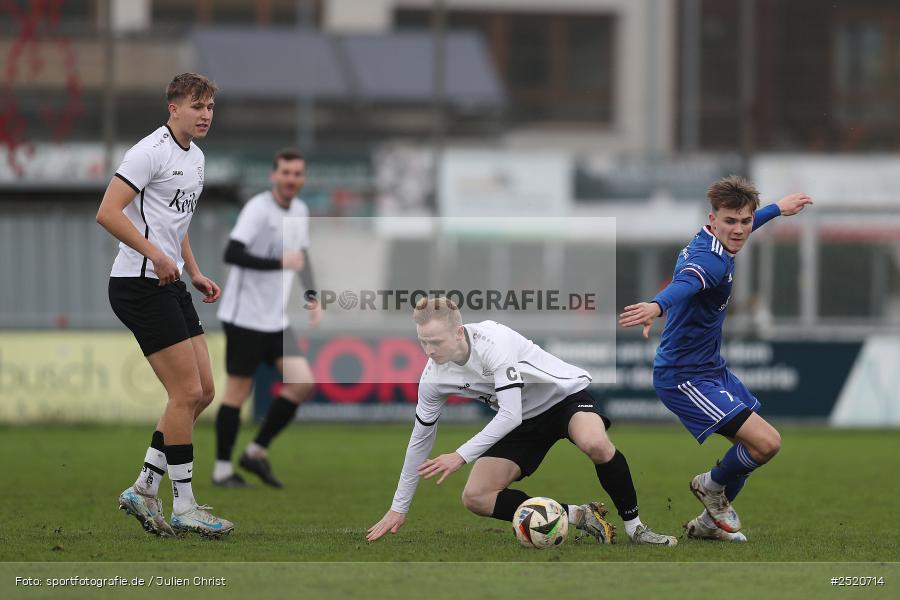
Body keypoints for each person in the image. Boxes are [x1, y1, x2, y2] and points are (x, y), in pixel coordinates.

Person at [368, 297, 678, 546]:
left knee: (596, 443)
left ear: (459, 332)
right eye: (424, 342)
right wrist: (399, 507)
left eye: (436, 341)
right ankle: (578, 515)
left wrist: (460, 455)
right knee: (475, 497)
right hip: (522, 420)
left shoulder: (493, 343)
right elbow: (420, 440)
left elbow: (509, 413)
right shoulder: (433, 377)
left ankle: (636, 529)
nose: (430, 350)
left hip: (562, 399)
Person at [619, 175, 812, 542]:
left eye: (746, 221)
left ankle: (708, 527)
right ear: (713, 220)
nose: (739, 230)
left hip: (710, 368)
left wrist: (776, 209)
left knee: (751, 447)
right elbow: (688, 282)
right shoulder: (712, 261)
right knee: (767, 443)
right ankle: (709, 486)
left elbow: (744, 221)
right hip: (684, 376)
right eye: (730, 221)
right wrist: (657, 305)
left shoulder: (713, 238)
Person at [97, 73, 233, 537]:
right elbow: (108, 211)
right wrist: (155, 253)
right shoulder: (147, 151)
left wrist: (191, 269)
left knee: (205, 391)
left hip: (171, 281)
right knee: (186, 394)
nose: (206, 114)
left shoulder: (196, 158)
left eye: (211, 106)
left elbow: (175, 221)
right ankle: (185, 506)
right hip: (138, 283)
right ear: (173, 108)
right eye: (198, 106)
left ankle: (144, 488)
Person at [212, 149, 321, 489]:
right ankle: (221, 471)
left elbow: (300, 255)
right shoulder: (258, 209)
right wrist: (278, 264)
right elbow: (232, 252)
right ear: (274, 175)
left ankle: (256, 451)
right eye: (286, 173)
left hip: (275, 319)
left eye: (297, 174)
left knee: (301, 382)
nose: (291, 179)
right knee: (237, 392)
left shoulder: (300, 210)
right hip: (244, 317)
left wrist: (312, 295)